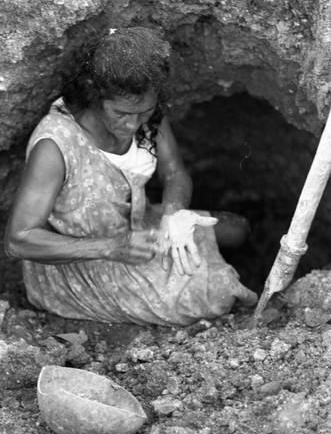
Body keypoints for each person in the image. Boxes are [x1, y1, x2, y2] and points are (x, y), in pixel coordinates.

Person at [5, 26, 257, 326]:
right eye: (120, 113)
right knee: (221, 294)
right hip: (84, 261)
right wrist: (112, 246)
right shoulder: (55, 144)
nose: (132, 125)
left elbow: (174, 171)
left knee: (236, 229)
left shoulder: (146, 115)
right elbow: (19, 240)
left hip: (138, 225)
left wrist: (173, 215)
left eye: (143, 112)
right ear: (94, 95)